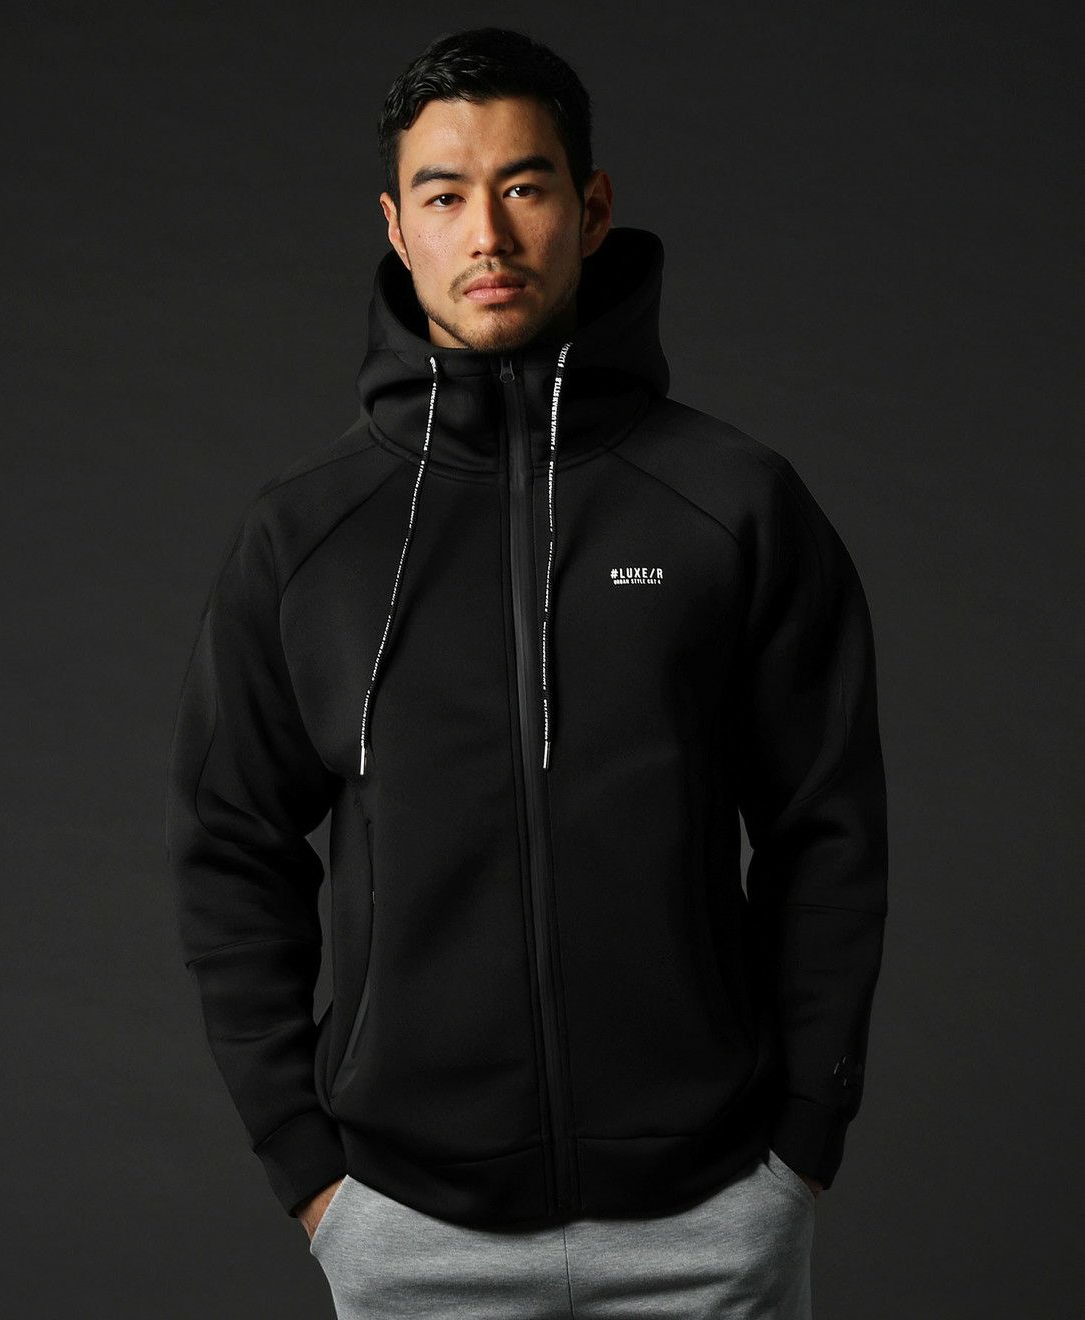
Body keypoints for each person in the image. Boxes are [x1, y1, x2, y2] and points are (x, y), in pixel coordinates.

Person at [165, 24, 888, 1320]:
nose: (488, 234)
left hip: (708, 1222)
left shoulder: (732, 505)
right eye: (445, 195)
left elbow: (827, 828)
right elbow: (230, 849)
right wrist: (310, 1172)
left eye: (525, 185)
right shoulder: (306, 537)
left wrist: (801, 1143)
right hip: (410, 1233)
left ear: (591, 208)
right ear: (397, 227)